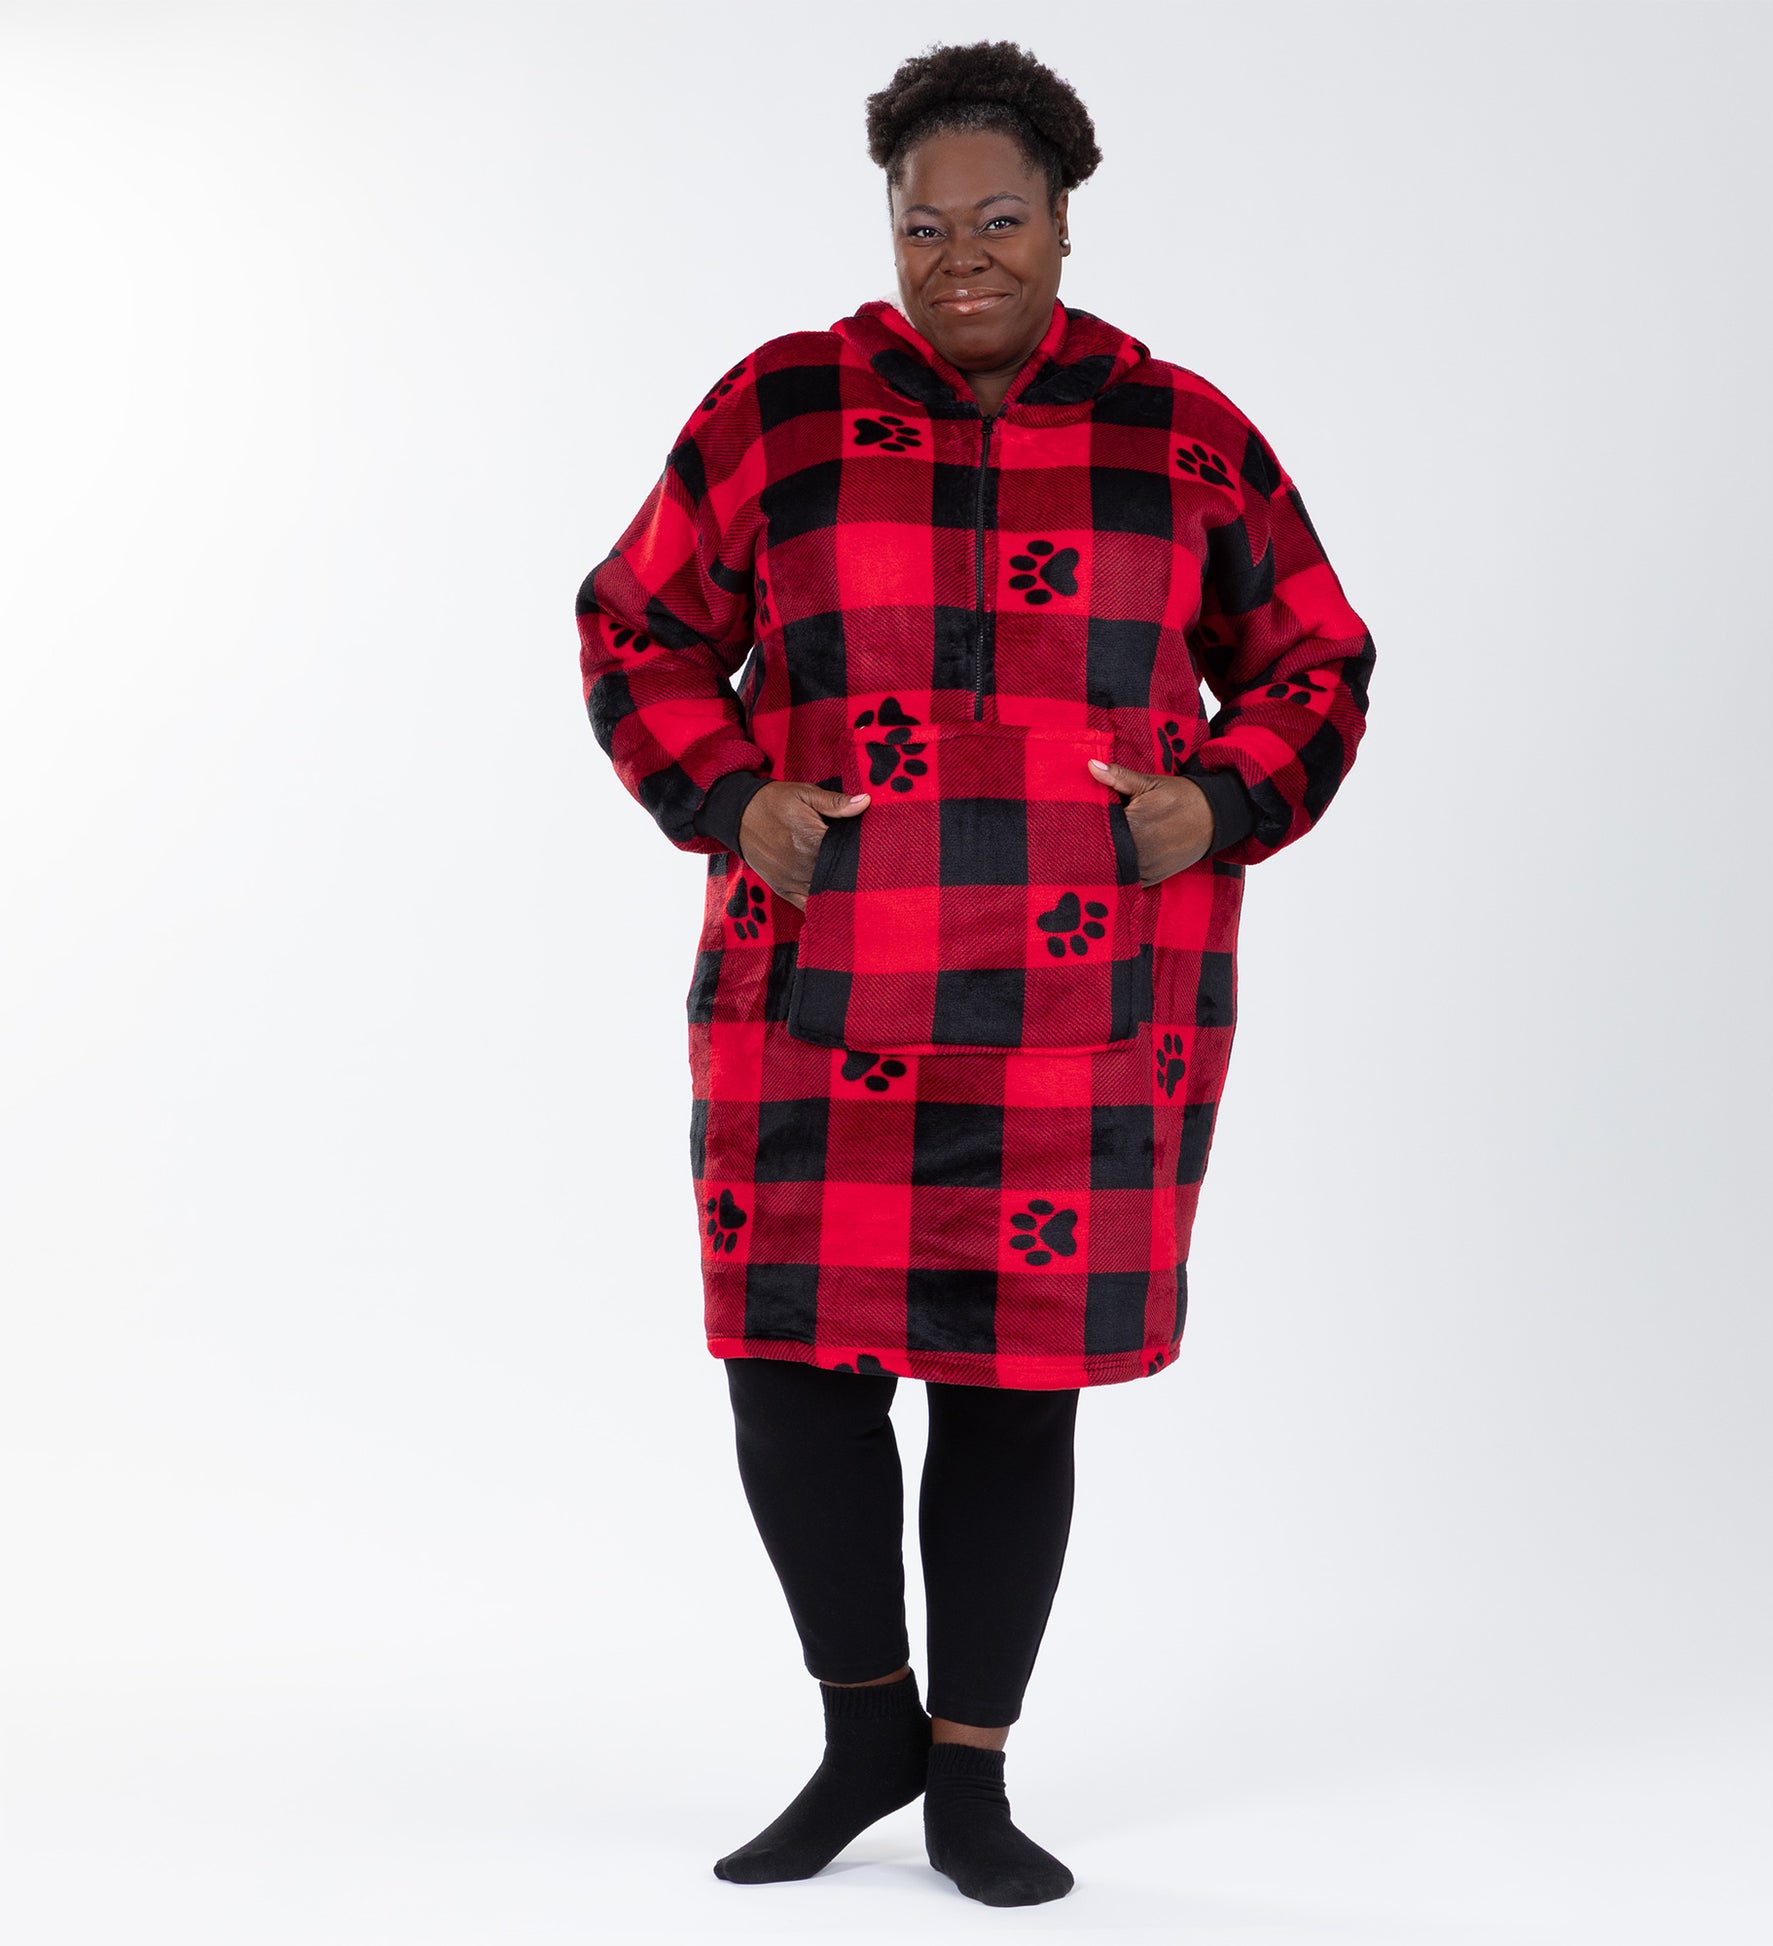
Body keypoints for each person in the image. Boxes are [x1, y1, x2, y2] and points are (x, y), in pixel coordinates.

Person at [575, 38, 1376, 1907]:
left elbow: (1316, 659)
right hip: (815, 984)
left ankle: (969, 1774)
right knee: (790, 1377)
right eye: (921, 226)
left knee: (1017, 1392)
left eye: (997, 220)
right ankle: (863, 1726)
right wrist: (731, 795)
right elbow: (633, 625)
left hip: (1082, 1010)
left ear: (1066, 220)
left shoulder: (1184, 434)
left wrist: (1215, 801)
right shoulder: (779, 410)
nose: (959, 259)